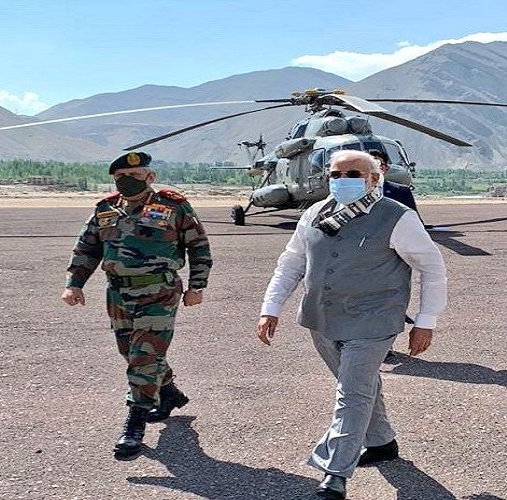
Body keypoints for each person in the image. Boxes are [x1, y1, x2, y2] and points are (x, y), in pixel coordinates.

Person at [257, 150, 447, 499]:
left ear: (374, 178)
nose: (343, 180)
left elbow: (432, 268)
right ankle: (383, 441)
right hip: (321, 319)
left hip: (373, 320)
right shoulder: (314, 214)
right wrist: (271, 307)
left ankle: (335, 475)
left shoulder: (396, 216)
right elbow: (291, 263)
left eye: (354, 173)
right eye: (336, 174)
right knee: (358, 384)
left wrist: (426, 321)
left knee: (352, 394)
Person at [61, 151, 212, 461]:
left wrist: (197, 286)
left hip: (159, 291)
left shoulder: (173, 205)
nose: (128, 181)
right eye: (121, 178)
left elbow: (198, 246)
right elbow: (88, 247)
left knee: (144, 356)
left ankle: (135, 424)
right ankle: (168, 392)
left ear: (150, 177)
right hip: (118, 294)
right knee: (132, 352)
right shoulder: (105, 209)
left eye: (135, 176)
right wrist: (74, 283)